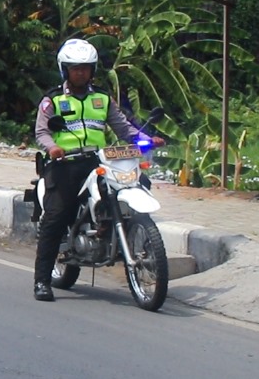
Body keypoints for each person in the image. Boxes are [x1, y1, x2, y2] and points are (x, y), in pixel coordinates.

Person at [32, 38, 165, 302]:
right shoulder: (53, 99)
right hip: (65, 164)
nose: (81, 72)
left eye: (86, 68)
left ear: (92, 70)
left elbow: (123, 128)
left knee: (141, 183)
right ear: (65, 70)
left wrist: (146, 139)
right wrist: (52, 148)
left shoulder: (102, 98)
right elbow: (41, 131)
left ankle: (113, 231)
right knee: (56, 216)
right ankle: (42, 280)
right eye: (75, 68)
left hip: (99, 161)